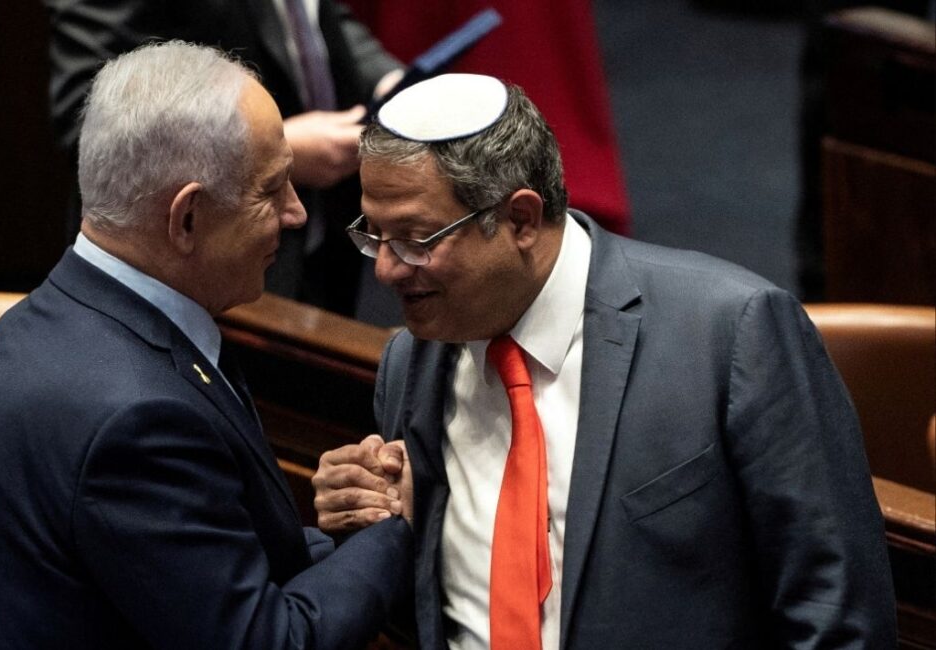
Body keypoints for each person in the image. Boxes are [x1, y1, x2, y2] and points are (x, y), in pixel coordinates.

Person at [312, 73, 896, 648]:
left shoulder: (730, 335)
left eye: (416, 239)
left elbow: (839, 616)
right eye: (375, 235)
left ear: (519, 219)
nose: (386, 270)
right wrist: (372, 534)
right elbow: (438, 614)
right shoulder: (411, 363)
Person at [0, 41, 413, 649]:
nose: (295, 214)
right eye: (272, 192)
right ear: (186, 219)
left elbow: (197, 569)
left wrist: (354, 528)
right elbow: (271, 642)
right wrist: (403, 524)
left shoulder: (48, 318)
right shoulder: (134, 419)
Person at [43, 0, 403, 316]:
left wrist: (386, 80)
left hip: (316, 249)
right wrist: (274, 149)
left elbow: (315, 16)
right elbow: (92, 121)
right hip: (185, 277)